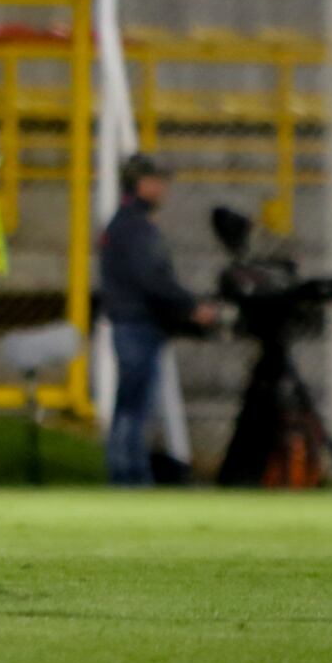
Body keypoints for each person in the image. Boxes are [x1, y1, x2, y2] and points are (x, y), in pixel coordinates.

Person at [98, 153, 217, 486]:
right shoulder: (135, 228)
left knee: (130, 405)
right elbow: (151, 280)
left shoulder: (124, 225)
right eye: (158, 181)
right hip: (137, 324)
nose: (164, 189)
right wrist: (190, 307)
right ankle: (130, 477)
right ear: (142, 184)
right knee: (134, 408)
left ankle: (126, 474)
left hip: (130, 323)